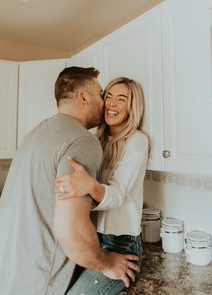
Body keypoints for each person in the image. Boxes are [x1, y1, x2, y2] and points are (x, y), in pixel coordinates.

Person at [0, 67, 139, 295]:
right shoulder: (82, 141)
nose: (105, 102)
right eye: (102, 94)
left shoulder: (34, 134)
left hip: (4, 272)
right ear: (83, 97)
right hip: (37, 281)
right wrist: (107, 263)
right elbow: (71, 229)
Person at [54, 77, 150, 294]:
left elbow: (116, 196)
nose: (112, 103)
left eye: (121, 99)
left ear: (132, 107)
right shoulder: (95, 140)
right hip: (93, 239)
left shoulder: (137, 141)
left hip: (121, 246)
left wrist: (89, 186)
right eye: (109, 96)